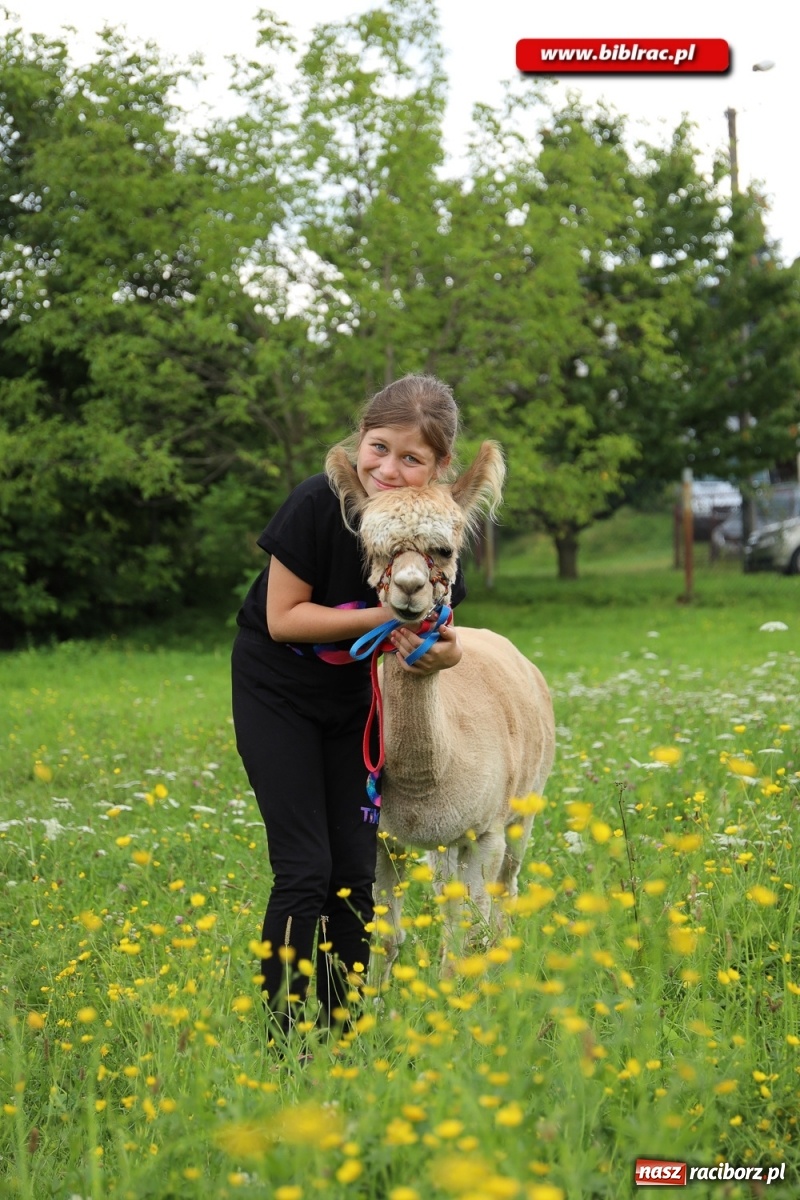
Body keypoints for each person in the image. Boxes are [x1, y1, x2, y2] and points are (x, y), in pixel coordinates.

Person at [231, 374, 467, 1040]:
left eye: (411, 457)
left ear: (440, 466)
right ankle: (282, 1038)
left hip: (356, 700)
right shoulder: (318, 504)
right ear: (358, 442)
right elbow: (283, 618)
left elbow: (445, 635)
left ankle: (341, 1031)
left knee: (354, 873)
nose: (388, 469)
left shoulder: (437, 527)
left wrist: (435, 653)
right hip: (276, 690)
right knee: (304, 868)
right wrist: (385, 614)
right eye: (378, 447)